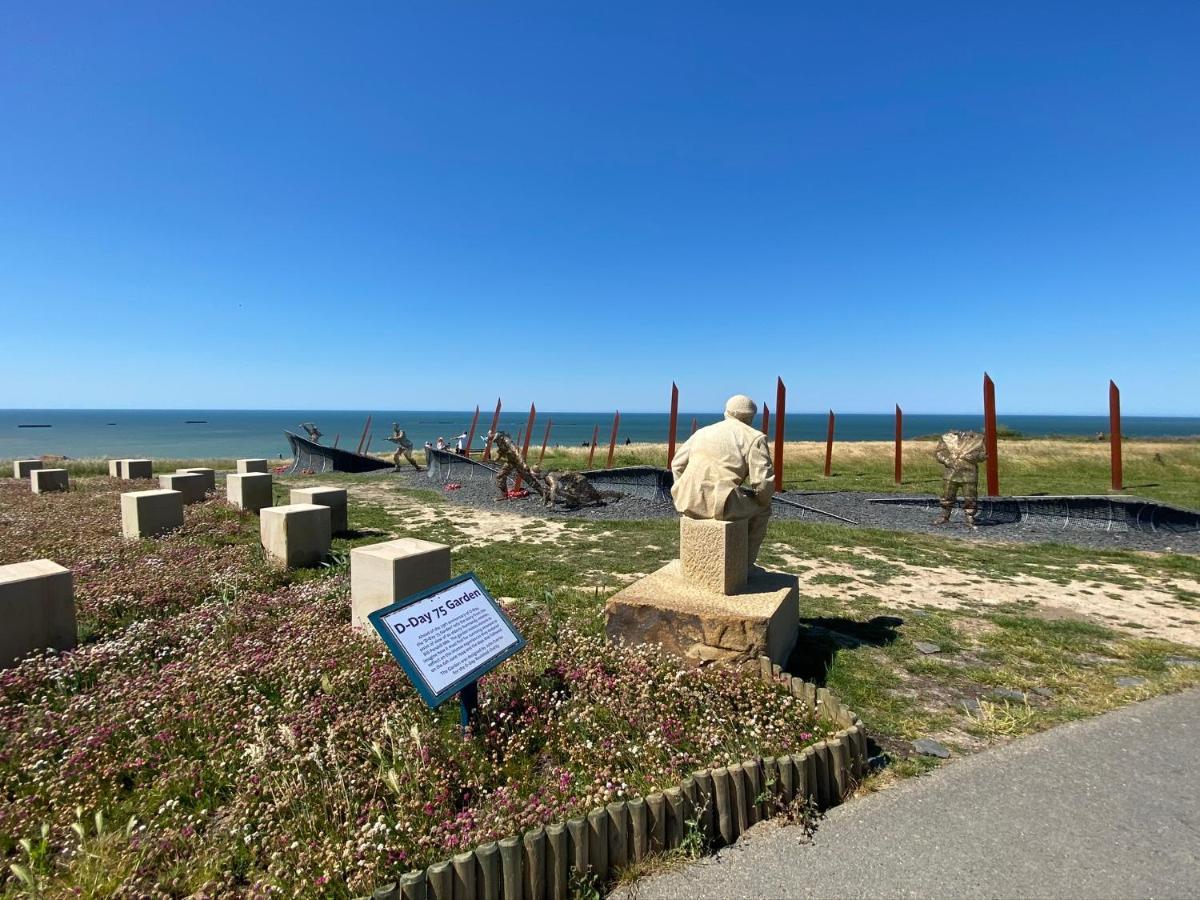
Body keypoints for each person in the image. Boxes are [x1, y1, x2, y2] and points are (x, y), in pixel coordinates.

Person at [670, 394, 774, 565]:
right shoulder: (754, 437)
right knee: (763, 510)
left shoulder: (702, 432)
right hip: (722, 504)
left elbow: (677, 465)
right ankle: (744, 566)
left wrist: (682, 488)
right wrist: (761, 500)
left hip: (687, 499)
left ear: (727, 412)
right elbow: (763, 483)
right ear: (750, 417)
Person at [933, 430, 987, 528]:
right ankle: (944, 516)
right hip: (951, 472)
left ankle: (970, 517)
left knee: (970, 497)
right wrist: (947, 460)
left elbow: (984, 455)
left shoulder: (979, 438)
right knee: (947, 495)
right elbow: (938, 453)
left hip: (969, 473)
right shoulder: (946, 437)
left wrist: (974, 456)